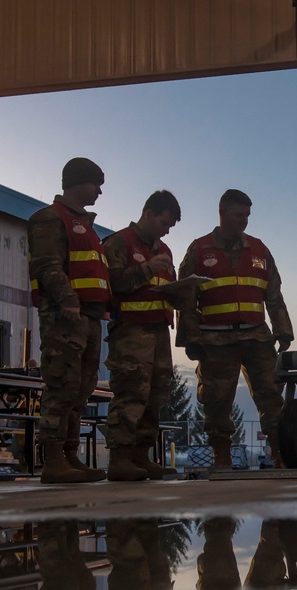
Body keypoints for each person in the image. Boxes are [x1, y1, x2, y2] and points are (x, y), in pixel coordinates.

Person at [175, 189, 294, 468]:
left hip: (257, 337)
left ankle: (280, 455)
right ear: (223, 213)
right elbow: (186, 298)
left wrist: (283, 331)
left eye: (248, 216)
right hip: (216, 340)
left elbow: (274, 294)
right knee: (217, 400)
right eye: (239, 215)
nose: (244, 221)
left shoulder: (260, 250)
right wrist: (190, 338)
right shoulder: (199, 249)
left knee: (271, 395)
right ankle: (222, 458)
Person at [28, 157, 110, 484]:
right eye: (96, 184)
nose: (100, 191)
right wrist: (68, 299)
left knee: (80, 389)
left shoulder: (86, 227)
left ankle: (69, 456)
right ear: (78, 183)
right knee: (62, 386)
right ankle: (52, 459)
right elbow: (48, 265)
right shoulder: (49, 219)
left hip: (88, 318)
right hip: (65, 317)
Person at [101, 190, 183, 481]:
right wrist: (148, 268)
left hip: (159, 331)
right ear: (148, 214)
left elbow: (164, 288)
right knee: (131, 391)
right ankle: (120, 457)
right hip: (131, 332)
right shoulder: (118, 242)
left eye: (170, 227)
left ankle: (141, 455)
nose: (166, 230)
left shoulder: (165, 250)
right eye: (164, 223)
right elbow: (112, 283)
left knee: (156, 394)